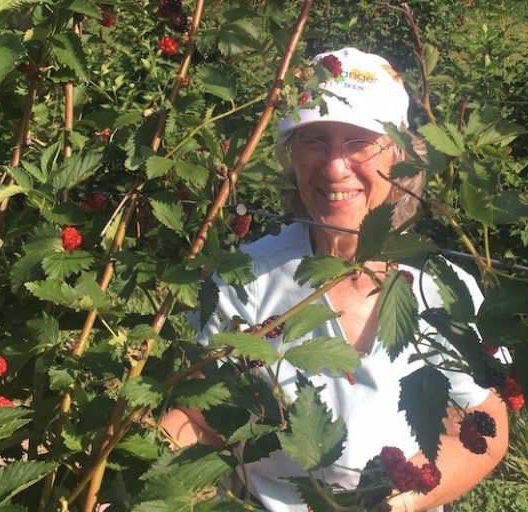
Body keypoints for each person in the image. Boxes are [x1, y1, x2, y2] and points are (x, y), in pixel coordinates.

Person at [161, 47, 508, 512]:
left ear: (402, 156)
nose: (333, 167)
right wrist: (129, 481)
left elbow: (487, 421)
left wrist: (397, 504)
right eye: (314, 140)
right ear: (291, 156)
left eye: (359, 142)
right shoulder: (243, 278)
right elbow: (199, 420)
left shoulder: (443, 289)